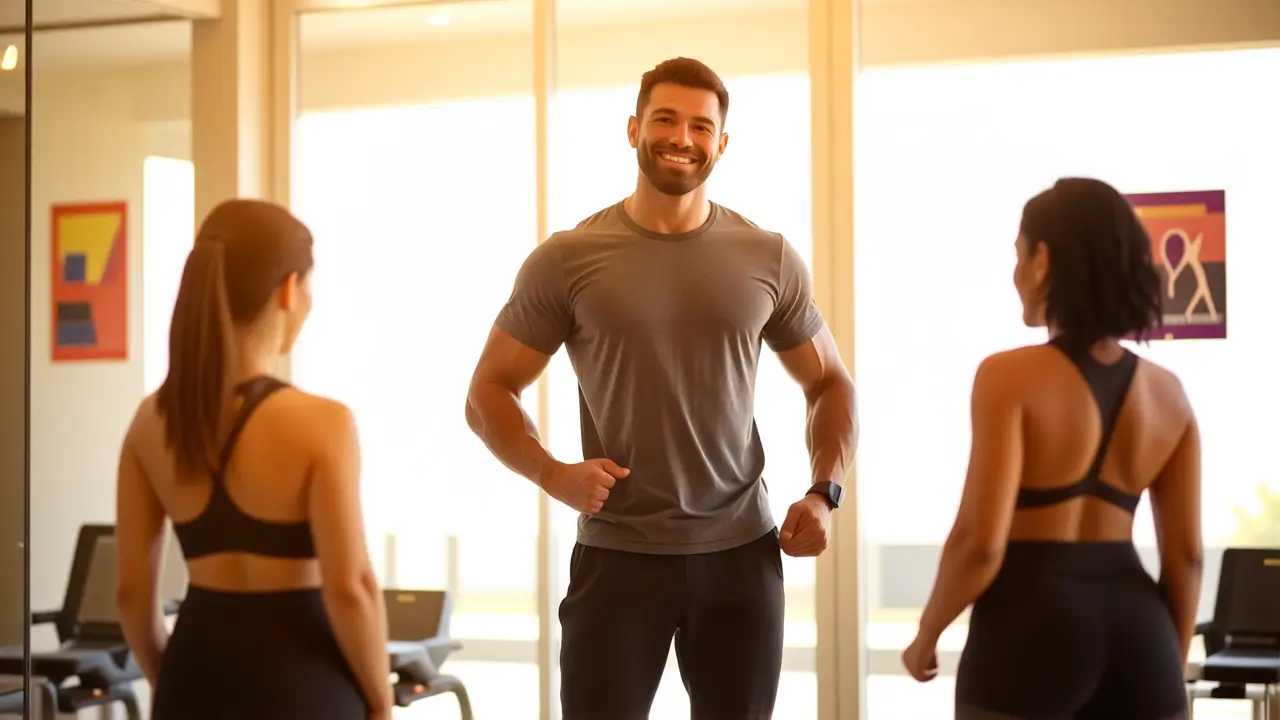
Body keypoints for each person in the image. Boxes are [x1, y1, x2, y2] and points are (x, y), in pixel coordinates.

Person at [465, 57, 859, 719]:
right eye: (666, 119)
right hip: (617, 557)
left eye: (701, 126)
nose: (682, 137)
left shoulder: (769, 256)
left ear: (721, 143)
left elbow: (830, 383)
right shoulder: (567, 258)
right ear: (633, 129)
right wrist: (552, 474)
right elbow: (488, 391)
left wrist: (824, 493)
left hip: (741, 555)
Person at [901, 178, 1202, 720]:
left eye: (1018, 254)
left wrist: (928, 634)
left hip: (1029, 626)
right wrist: (1165, 669)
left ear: (1042, 260)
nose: (1014, 273)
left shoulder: (1007, 377)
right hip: (1140, 631)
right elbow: (1186, 557)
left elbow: (980, 543)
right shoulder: (1169, 395)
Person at [114, 199, 393, 720]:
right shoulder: (322, 422)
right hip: (305, 689)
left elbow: (131, 594)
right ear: (289, 288)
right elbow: (351, 588)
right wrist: (381, 705)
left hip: (192, 681)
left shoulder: (149, 423)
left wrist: (171, 680)